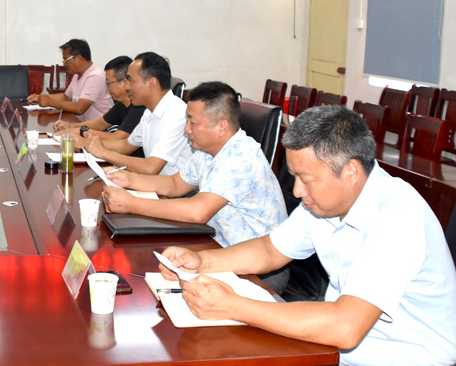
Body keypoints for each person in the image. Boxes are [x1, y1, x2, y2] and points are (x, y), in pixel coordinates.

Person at [159, 105, 456, 366]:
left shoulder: (397, 217)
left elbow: (346, 326)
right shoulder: (324, 203)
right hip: (336, 351)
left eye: (306, 179)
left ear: (351, 171)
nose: (297, 191)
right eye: (294, 177)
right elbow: (270, 250)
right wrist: (202, 261)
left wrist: (233, 306)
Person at [102, 81, 287, 291]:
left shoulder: (240, 156)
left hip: (258, 270)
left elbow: (197, 211)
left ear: (222, 126)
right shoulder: (207, 150)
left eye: (193, 121)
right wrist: (128, 179)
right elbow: (175, 184)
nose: (186, 129)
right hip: (217, 248)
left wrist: (132, 204)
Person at [83, 52, 192, 175]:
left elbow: (150, 168)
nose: (127, 87)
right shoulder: (149, 112)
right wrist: (87, 143)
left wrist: (104, 153)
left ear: (151, 82)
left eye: (131, 80)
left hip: (168, 186)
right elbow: (126, 145)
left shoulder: (176, 115)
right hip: (154, 182)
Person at [53, 56, 146, 153]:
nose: (106, 88)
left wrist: (81, 132)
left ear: (124, 82)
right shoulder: (122, 103)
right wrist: (71, 127)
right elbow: (100, 124)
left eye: (108, 83)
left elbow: (117, 137)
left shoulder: (139, 107)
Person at [26, 38, 112, 121]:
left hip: (101, 128)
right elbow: (66, 97)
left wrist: (50, 102)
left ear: (79, 58)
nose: (64, 64)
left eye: (65, 59)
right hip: (83, 124)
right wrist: (40, 98)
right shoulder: (77, 74)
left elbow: (80, 108)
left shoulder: (95, 76)